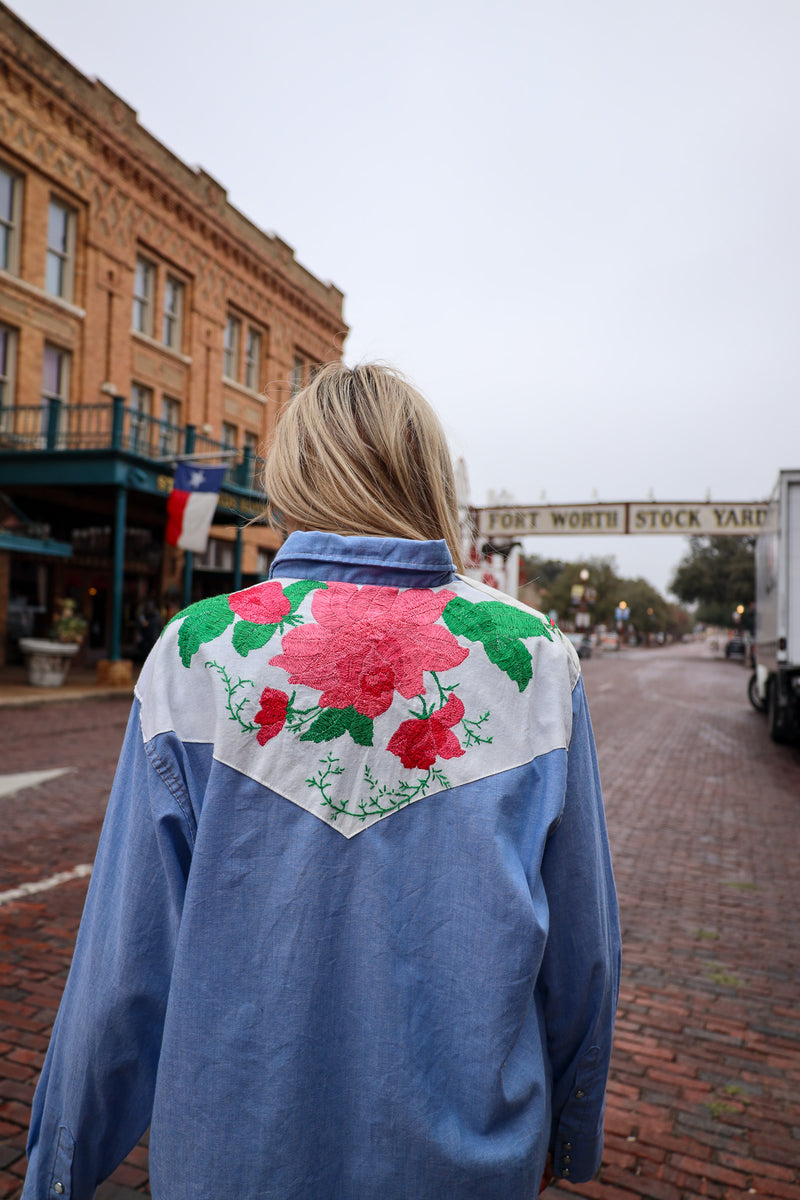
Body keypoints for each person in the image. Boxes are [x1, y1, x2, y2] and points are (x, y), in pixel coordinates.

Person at [22, 362, 620, 1200]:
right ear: (426, 476)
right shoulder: (536, 662)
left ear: (294, 476)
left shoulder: (202, 653)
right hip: (467, 1168)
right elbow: (583, 956)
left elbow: (125, 967)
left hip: (234, 1163)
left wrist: (58, 1172)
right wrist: (570, 1131)